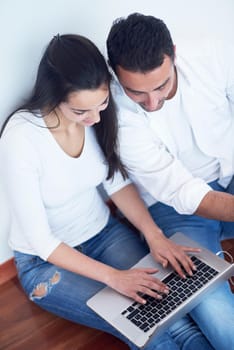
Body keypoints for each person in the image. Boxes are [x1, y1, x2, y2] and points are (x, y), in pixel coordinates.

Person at [0, 33, 215, 350]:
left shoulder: (98, 116)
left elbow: (117, 182)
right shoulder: (21, 138)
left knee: (176, 317)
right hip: (45, 263)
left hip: (104, 235)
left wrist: (154, 235)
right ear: (53, 96)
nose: (96, 119)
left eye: (102, 105)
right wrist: (114, 277)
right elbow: (40, 241)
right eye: (81, 112)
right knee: (146, 327)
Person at [106, 13, 234, 349]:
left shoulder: (213, 54)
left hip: (230, 175)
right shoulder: (115, 114)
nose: (153, 102)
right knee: (217, 316)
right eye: (137, 92)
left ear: (173, 54)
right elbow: (182, 192)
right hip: (177, 208)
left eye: (161, 85)